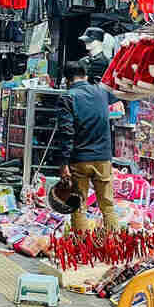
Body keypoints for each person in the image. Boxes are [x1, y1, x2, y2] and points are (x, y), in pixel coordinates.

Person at [53, 60, 120, 234]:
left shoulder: (68, 97)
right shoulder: (102, 93)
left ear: (67, 80)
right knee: (108, 206)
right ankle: (116, 246)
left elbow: (66, 133)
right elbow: (118, 93)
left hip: (80, 160)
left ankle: (82, 249)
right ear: (86, 75)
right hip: (103, 158)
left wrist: (63, 164)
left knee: (78, 206)